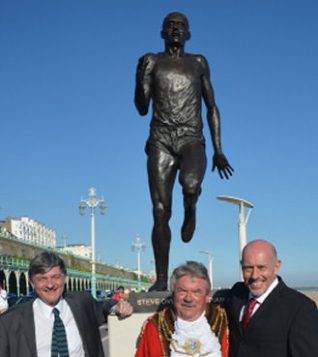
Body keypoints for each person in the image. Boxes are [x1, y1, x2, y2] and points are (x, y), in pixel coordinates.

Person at [135, 12, 233, 291]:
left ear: (188, 34)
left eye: (181, 26)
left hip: (191, 137)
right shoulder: (152, 61)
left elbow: (212, 107)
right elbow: (142, 108)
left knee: (190, 186)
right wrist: (140, 75)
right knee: (159, 210)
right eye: (171, 25)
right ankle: (162, 277)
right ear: (162, 32)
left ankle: (191, 209)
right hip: (161, 138)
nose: (176, 29)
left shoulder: (198, 62)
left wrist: (218, 150)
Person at [0, 251, 133, 357]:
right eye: (42, 279)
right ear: (32, 283)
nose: (50, 285)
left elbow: (104, 306)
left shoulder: (82, 303)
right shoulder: (10, 322)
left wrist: (118, 306)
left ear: (64, 279)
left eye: (55, 277)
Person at [226, 239, 318, 357]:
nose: (255, 275)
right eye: (248, 268)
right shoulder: (236, 294)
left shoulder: (301, 309)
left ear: (276, 266)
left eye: (262, 267)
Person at [135, 261, 229, 357]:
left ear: (207, 296)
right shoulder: (156, 326)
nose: (188, 298)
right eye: (182, 291)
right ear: (173, 294)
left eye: (196, 292)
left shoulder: (223, 320)